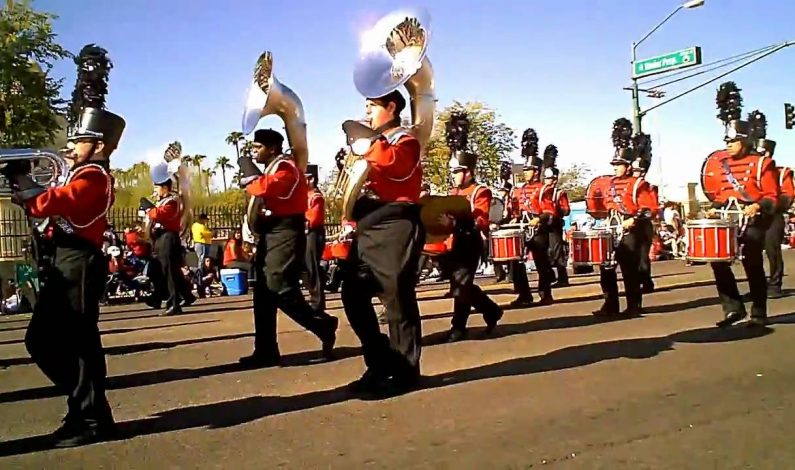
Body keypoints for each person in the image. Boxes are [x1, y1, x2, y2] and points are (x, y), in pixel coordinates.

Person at [0, 44, 124, 447]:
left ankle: (91, 417)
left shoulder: (95, 178)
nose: (68, 147)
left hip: (79, 263)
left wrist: (24, 184)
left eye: (79, 140)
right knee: (50, 341)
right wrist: (22, 184)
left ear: (100, 145)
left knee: (72, 341)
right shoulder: (80, 172)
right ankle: (86, 410)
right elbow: (43, 201)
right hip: (63, 262)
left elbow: (51, 202)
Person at [340, 90, 424, 397]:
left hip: (396, 222)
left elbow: (396, 166)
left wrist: (368, 144)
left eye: (371, 106)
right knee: (352, 293)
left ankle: (405, 372)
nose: (366, 112)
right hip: (370, 223)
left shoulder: (406, 140)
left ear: (391, 107)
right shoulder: (377, 143)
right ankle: (381, 361)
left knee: (396, 300)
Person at [237, 129, 338, 367]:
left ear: (272, 148)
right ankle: (265, 351)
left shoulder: (286, 168)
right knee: (263, 296)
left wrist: (246, 167)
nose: (254, 152)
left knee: (279, 288)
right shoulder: (276, 167)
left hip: (285, 233)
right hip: (273, 232)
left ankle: (322, 324)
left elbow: (262, 188)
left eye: (258, 148)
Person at [702, 84, 779, 327]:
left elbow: (773, 196)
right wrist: (715, 207)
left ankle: (758, 311)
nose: (728, 145)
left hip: (753, 219)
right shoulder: (719, 164)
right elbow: (722, 194)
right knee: (718, 262)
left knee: (752, 263)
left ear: (744, 141)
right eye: (726, 141)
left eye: (732, 141)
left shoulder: (761, 164)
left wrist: (757, 206)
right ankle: (732, 308)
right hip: (728, 219)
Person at [592, 118, 658, 317]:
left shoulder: (638, 184)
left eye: (618, 164)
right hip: (611, 228)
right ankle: (610, 304)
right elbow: (601, 205)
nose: (614, 168)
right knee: (606, 268)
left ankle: (634, 305)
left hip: (630, 229)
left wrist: (634, 219)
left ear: (628, 166)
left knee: (629, 270)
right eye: (614, 164)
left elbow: (649, 209)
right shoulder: (607, 183)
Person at [437, 152, 503, 341]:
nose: (454, 175)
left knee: (461, 285)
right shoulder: (453, 192)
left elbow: (481, 220)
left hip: (470, 242)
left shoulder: (480, 191)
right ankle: (492, 310)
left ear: (468, 172)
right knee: (461, 285)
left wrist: (455, 222)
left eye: (457, 171)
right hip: (453, 244)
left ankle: (458, 327)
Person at [140, 162, 196, 316]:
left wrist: (148, 208)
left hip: (168, 238)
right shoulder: (163, 201)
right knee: (159, 271)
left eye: (157, 187)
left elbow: (160, 214)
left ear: (165, 187)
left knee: (170, 272)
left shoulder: (172, 201)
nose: (155, 191)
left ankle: (173, 304)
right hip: (160, 239)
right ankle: (166, 297)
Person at [508, 128, 554, 307]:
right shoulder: (519, 190)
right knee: (517, 262)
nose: (525, 172)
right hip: (522, 228)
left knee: (542, 263)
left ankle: (545, 294)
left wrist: (538, 219)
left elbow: (549, 211)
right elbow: (518, 208)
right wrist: (515, 218)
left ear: (535, 171)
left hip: (538, 229)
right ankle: (524, 295)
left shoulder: (544, 189)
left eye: (528, 170)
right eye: (525, 169)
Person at [540, 145, 570, 287]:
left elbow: (566, 210)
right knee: (545, 252)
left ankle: (563, 278)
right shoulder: (541, 193)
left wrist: (557, 209)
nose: (548, 182)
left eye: (551, 179)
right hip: (543, 224)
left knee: (557, 251)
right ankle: (550, 276)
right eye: (546, 179)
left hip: (555, 224)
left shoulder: (559, 193)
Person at [632, 156, 658, 293]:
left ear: (642, 172)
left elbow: (652, 209)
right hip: (630, 225)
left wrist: (639, 214)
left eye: (636, 170)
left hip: (643, 225)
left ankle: (647, 282)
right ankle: (637, 282)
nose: (633, 172)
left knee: (642, 255)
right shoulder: (628, 186)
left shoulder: (648, 187)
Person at [304, 164, 326, 313]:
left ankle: (317, 301)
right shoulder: (305, 196)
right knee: (307, 267)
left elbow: (313, 219)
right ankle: (314, 296)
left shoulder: (316, 197)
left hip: (313, 233)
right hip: (307, 233)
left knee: (313, 267)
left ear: (311, 179)